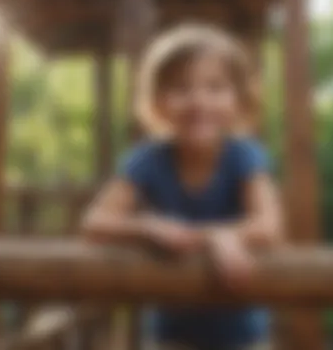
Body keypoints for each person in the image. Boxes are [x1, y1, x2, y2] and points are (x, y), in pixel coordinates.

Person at [81, 23, 283, 350]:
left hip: (242, 334)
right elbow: (94, 224)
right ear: (158, 101)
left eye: (215, 88)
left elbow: (270, 226)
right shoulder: (147, 159)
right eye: (181, 88)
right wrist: (147, 226)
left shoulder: (244, 155)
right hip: (171, 333)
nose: (198, 101)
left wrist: (218, 235)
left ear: (239, 99)